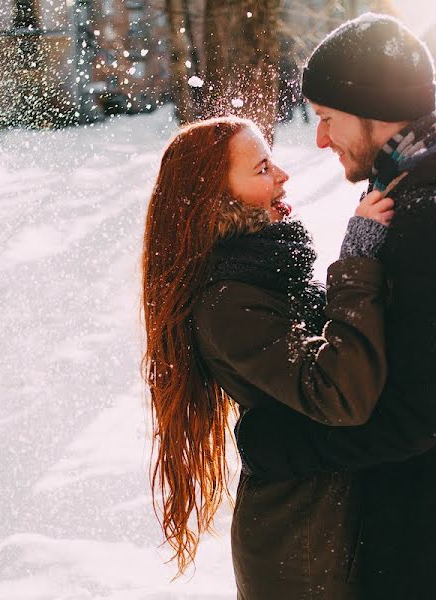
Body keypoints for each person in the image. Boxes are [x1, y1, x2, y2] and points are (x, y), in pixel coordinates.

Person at [234, 13, 436, 599]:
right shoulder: (425, 186)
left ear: (372, 109)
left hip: (427, 531)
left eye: (326, 119)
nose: (320, 139)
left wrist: (273, 441)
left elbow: (407, 419)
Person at [141, 115, 395, 598]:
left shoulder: (266, 273)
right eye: (260, 169)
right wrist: (357, 264)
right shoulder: (227, 302)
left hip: (329, 532)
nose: (282, 175)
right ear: (214, 199)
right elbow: (339, 392)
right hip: (299, 553)